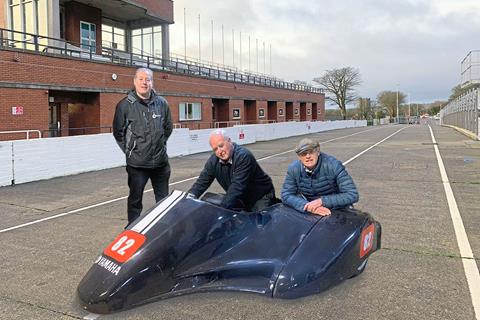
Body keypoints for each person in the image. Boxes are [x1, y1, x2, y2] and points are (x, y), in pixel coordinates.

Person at [113, 67, 173, 224]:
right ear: (134, 82)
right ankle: (132, 228)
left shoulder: (162, 103)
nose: (144, 82)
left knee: (163, 201)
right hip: (137, 165)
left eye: (148, 79)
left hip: (160, 163)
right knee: (135, 200)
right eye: (140, 79)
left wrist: (160, 145)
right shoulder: (124, 105)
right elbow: (118, 133)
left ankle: (162, 229)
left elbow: (168, 128)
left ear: (152, 82)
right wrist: (131, 151)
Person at [188, 129, 276, 211]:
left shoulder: (243, 156)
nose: (219, 151)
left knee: (258, 223)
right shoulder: (213, 161)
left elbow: (237, 187)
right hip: (240, 197)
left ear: (229, 141)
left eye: (221, 146)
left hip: (260, 196)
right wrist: (187, 199)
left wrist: (221, 210)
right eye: (215, 149)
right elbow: (201, 182)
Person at [281, 138, 358, 216]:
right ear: (299, 157)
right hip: (311, 210)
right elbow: (286, 194)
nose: (307, 156)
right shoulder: (294, 169)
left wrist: (321, 202)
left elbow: (352, 194)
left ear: (318, 152)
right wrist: (306, 206)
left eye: (311, 152)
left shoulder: (333, 165)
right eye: (303, 153)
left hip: (337, 210)